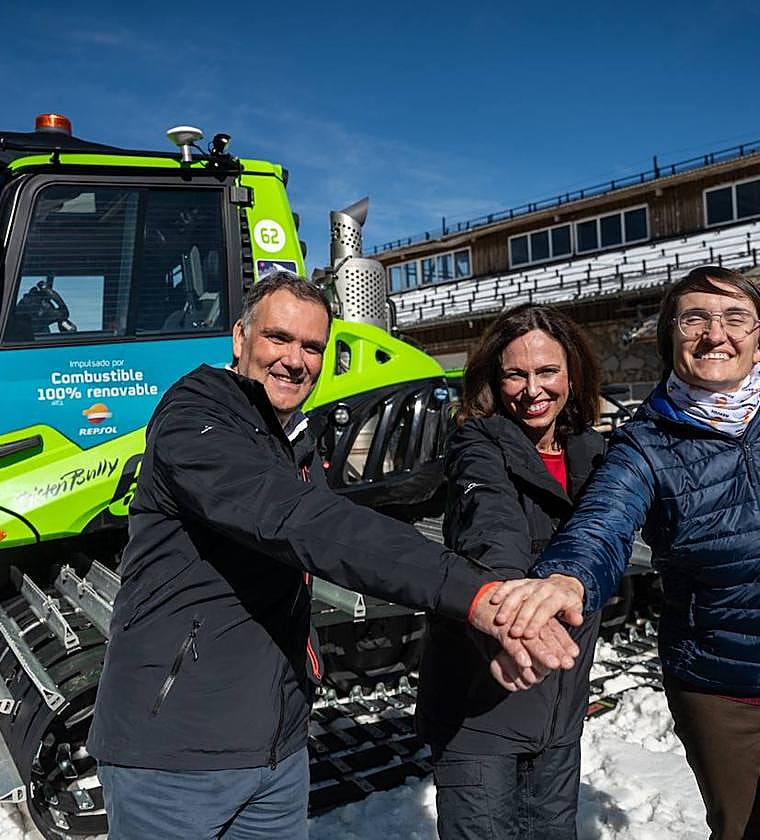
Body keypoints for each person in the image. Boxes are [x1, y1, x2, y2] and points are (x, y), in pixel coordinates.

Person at [86, 272, 581, 840]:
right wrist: (475, 593)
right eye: (278, 338)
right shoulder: (197, 419)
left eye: (312, 347)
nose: (295, 360)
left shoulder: (289, 437)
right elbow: (305, 522)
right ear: (240, 337)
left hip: (274, 752)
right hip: (176, 757)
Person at [492, 266, 760, 840]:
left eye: (736, 317)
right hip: (718, 690)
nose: (716, 334)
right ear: (671, 337)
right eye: (695, 319)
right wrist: (567, 577)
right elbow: (603, 522)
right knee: (741, 831)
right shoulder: (646, 443)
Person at [416, 305, 606, 840]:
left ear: (572, 373)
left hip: (559, 716)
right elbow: (490, 522)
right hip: (483, 710)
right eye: (515, 375)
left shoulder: (594, 452)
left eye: (547, 371)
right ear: (494, 382)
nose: (532, 390)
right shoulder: (477, 444)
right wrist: (511, 606)